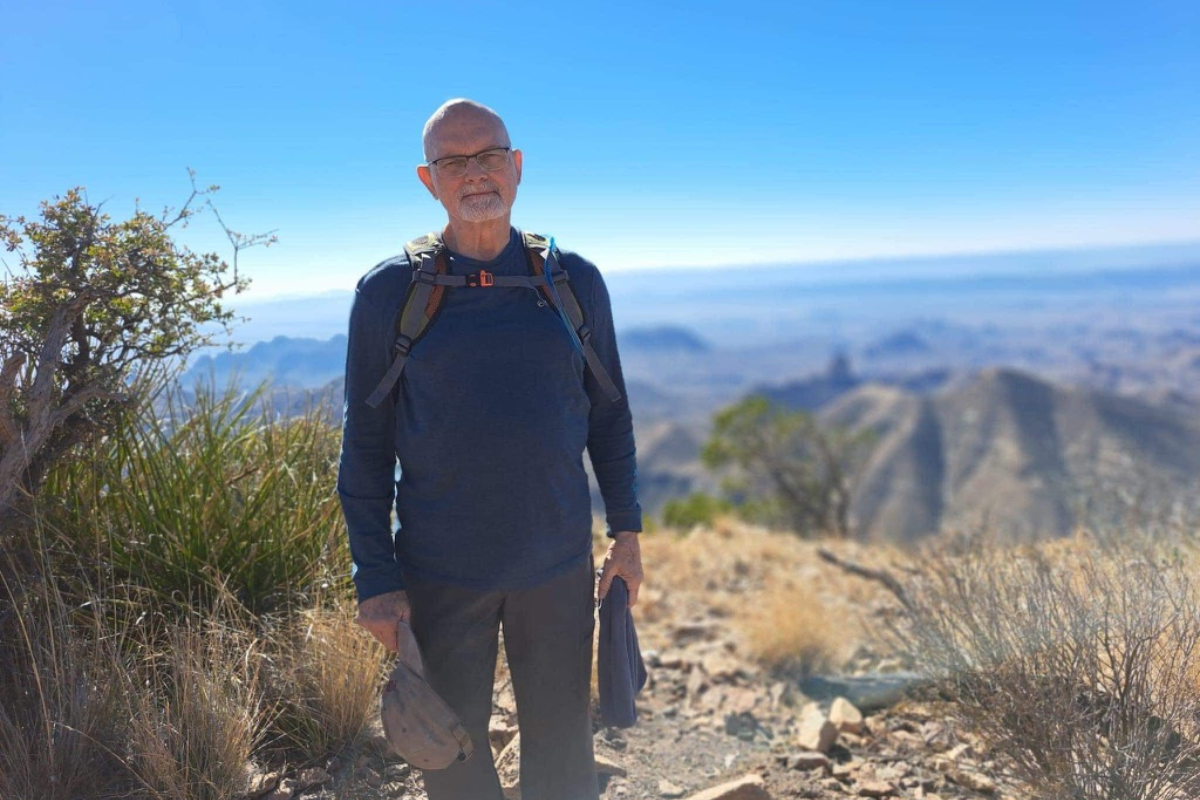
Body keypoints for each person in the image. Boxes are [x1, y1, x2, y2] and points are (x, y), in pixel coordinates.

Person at [336, 97, 645, 800]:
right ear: (429, 180)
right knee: (451, 761)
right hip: (440, 572)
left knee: (564, 753)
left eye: (490, 156)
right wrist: (374, 579)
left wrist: (626, 535)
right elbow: (365, 448)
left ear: (517, 166)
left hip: (556, 564)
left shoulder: (572, 282)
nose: (475, 173)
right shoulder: (391, 293)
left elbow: (610, 414)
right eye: (454, 161)